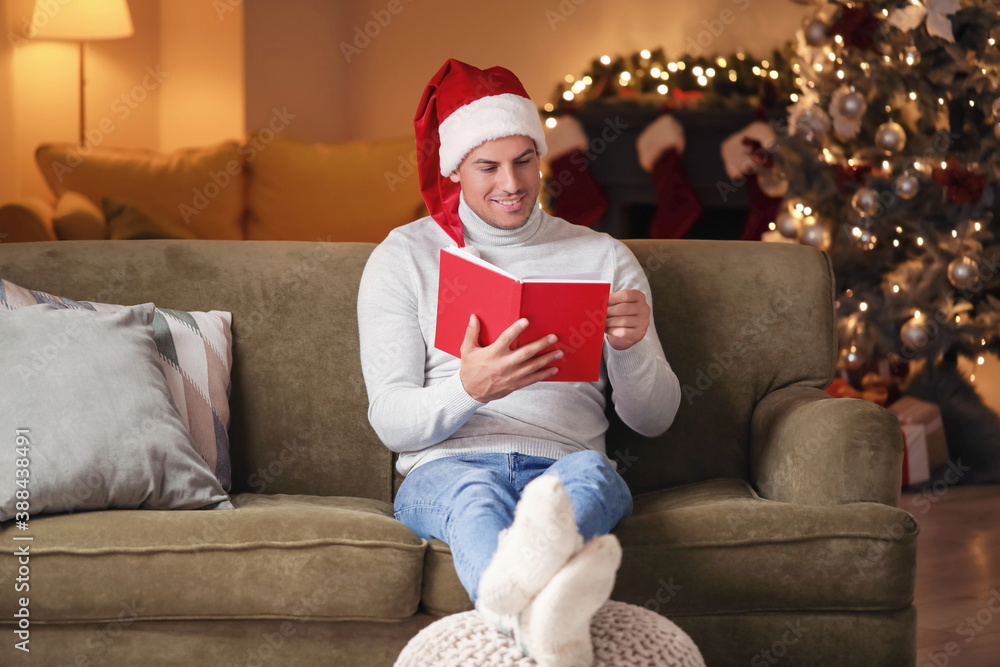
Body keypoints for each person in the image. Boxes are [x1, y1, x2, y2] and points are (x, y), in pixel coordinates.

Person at [358, 58, 681, 666]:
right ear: (455, 169)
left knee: (587, 481)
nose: (511, 182)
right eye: (488, 166)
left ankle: (518, 613)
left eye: (524, 160)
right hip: (447, 468)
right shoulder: (404, 257)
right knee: (476, 495)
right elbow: (391, 421)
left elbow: (655, 419)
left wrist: (631, 347)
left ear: (540, 157)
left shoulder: (604, 257)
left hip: (566, 461)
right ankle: (548, 612)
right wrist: (469, 387)